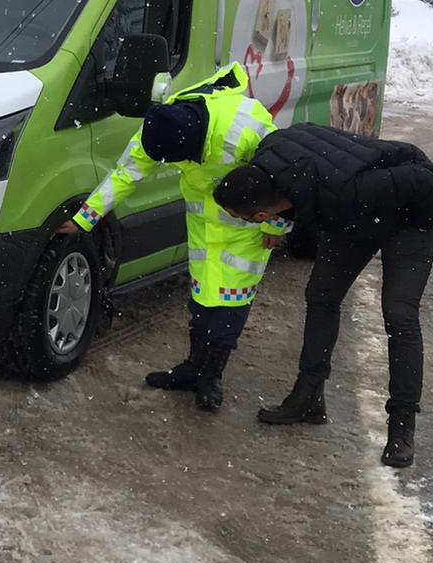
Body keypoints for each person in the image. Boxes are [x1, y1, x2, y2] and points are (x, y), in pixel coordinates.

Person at [212, 123, 433, 468]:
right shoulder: (273, 154)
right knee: (321, 295)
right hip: (354, 213)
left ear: (261, 214)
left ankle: (402, 425)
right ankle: (308, 397)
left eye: (246, 220)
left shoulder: (341, 192)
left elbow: (424, 181)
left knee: (399, 314)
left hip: (409, 213)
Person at [56, 64, 291, 411]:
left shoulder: (245, 128)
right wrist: (83, 220)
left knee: (229, 306)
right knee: (202, 301)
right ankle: (193, 368)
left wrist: (276, 226)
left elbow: (285, 177)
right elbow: (125, 175)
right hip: (202, 228)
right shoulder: (162, 125)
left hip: (246, 231)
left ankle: (211, 376)